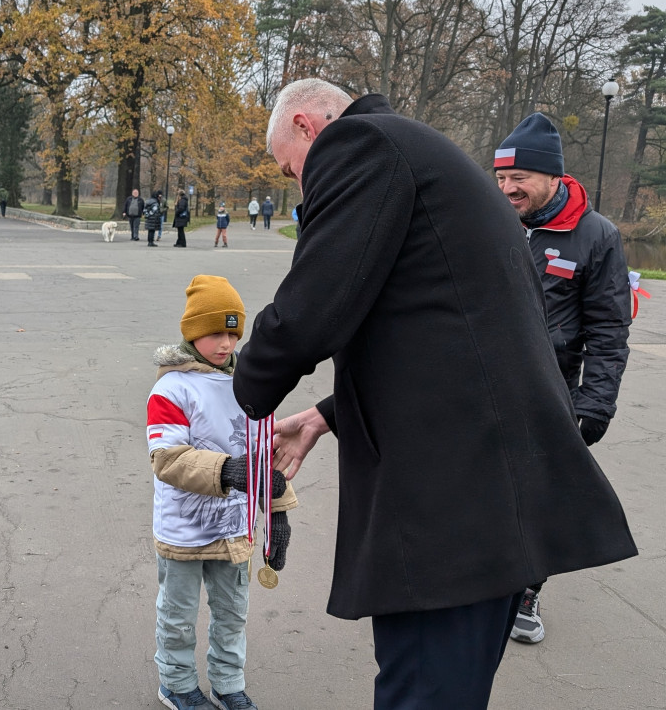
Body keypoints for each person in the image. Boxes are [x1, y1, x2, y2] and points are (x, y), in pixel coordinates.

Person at [232, 78, 637, 709]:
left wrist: (248, 386)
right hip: (494, 507)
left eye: (292, 170)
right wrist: (328, 414)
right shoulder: (416, 154)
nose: (301, 186)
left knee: (422, 696)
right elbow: (448, 333)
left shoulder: (360, 146)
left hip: (452, 518)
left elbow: (312, 305)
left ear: (310, 126)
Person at [494, 112, 632, 644]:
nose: (507, 189)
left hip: (549, 395)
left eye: (519, 178)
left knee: (538, 497)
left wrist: (594, 406)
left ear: (552, 176)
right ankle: (478, 582)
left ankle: (526, 594)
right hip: (481, 386)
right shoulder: (489, 218)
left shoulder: (596, 236)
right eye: (501, 178)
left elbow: (608, 331)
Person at [148, 275, 297, 710]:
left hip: (235, 528)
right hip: (185, 529)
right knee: (177, 617)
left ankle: (228, 684)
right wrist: (231, 470)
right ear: (193, 332)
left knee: (232, 614)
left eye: (234, 333)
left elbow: (266, 454)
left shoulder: (250, 385)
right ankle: (176, 683)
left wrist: (279, 513)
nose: (226, 344)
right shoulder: (171, 388)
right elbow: (168, 459)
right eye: (216, 332)